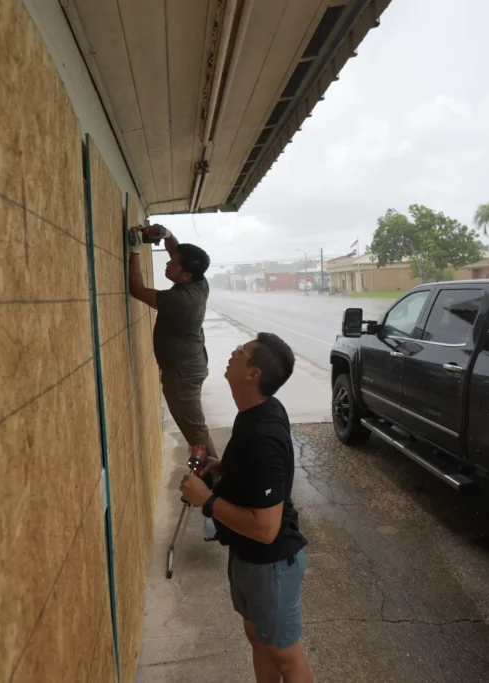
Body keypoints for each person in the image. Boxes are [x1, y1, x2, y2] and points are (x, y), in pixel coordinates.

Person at [179, 332, 313, 683]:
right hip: (247, 557)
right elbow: (254, 473)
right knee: (259, 642)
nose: (233, 352)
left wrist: (206, 500)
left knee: (286, 659)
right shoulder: (253, 412)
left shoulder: (264, 435)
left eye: (241, 351)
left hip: (271, 567)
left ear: (253, 373)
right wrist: (222, 467)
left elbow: (266, 529)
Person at [128, 224, 218, 459]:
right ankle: (211, 477)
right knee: (195, 433)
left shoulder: (181, 300)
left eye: (174, 264)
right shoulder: (198, 280)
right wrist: (165, 234)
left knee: (196, 434)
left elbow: (137, 290)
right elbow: (175, 250)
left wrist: (135, 251)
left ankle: (215, 481)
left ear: (186, 275)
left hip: (183, 377)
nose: (168, 263)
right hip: (185, 369)